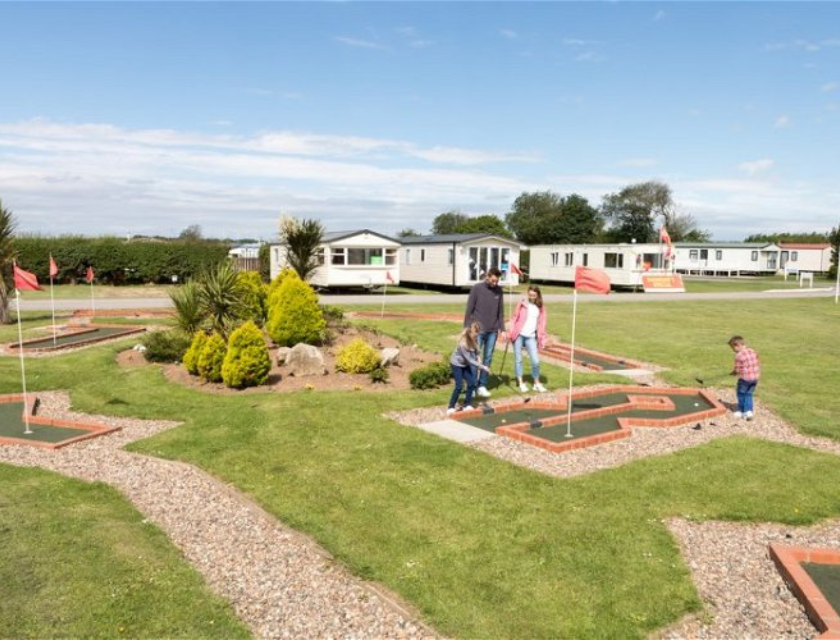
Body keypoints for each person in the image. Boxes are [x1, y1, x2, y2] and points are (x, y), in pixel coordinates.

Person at [463, 267, 504, 398]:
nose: (495, 283)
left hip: (492, 331)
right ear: (488, 276)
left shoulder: (499, 291)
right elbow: (469, 309)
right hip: (477, 331)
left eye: (497, 281)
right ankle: (472, 386)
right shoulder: (477, 288)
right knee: (475, 358)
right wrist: (466, 327)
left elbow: (500, 312)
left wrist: (502, 329)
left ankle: (482, 385)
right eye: (493, 280)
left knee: (488, 358)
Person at [508, 285, 549, 393]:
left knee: (535, 361)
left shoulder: (541, 308)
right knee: (519, 360)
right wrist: (511, 331)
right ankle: (521, 383)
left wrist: (542, 339)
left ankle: (536, 383)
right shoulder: (522, 303)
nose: (531, 297)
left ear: (537, 295)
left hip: (531, 337)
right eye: (530, 295)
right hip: (519, 335)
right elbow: (514, 317)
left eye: (534, 295)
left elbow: (542, 324)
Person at [448, 322, 490, 415]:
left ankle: (467, 404)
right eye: (476, 334)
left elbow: (477, 350)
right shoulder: (463, 344)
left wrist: (479, 357)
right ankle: (451, 407)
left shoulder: (473, 339)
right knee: (459, 386)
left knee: (471, 383)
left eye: (478, 334)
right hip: (457, 365)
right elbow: (470, 360)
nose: (477, 336)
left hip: (465, 364)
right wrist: (483, 367)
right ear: (471, 333)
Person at [728, 335, 760, 420]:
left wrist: (734, 372)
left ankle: (742, 412)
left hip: (745, 379)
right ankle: (749, 412)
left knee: (741, 394)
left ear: (737, 346)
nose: (733, 350)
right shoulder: (752, 351)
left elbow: (737, 370)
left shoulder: (739, 356)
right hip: (755, 378)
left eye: (733, 348)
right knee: (749, 394)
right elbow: (756, 359)